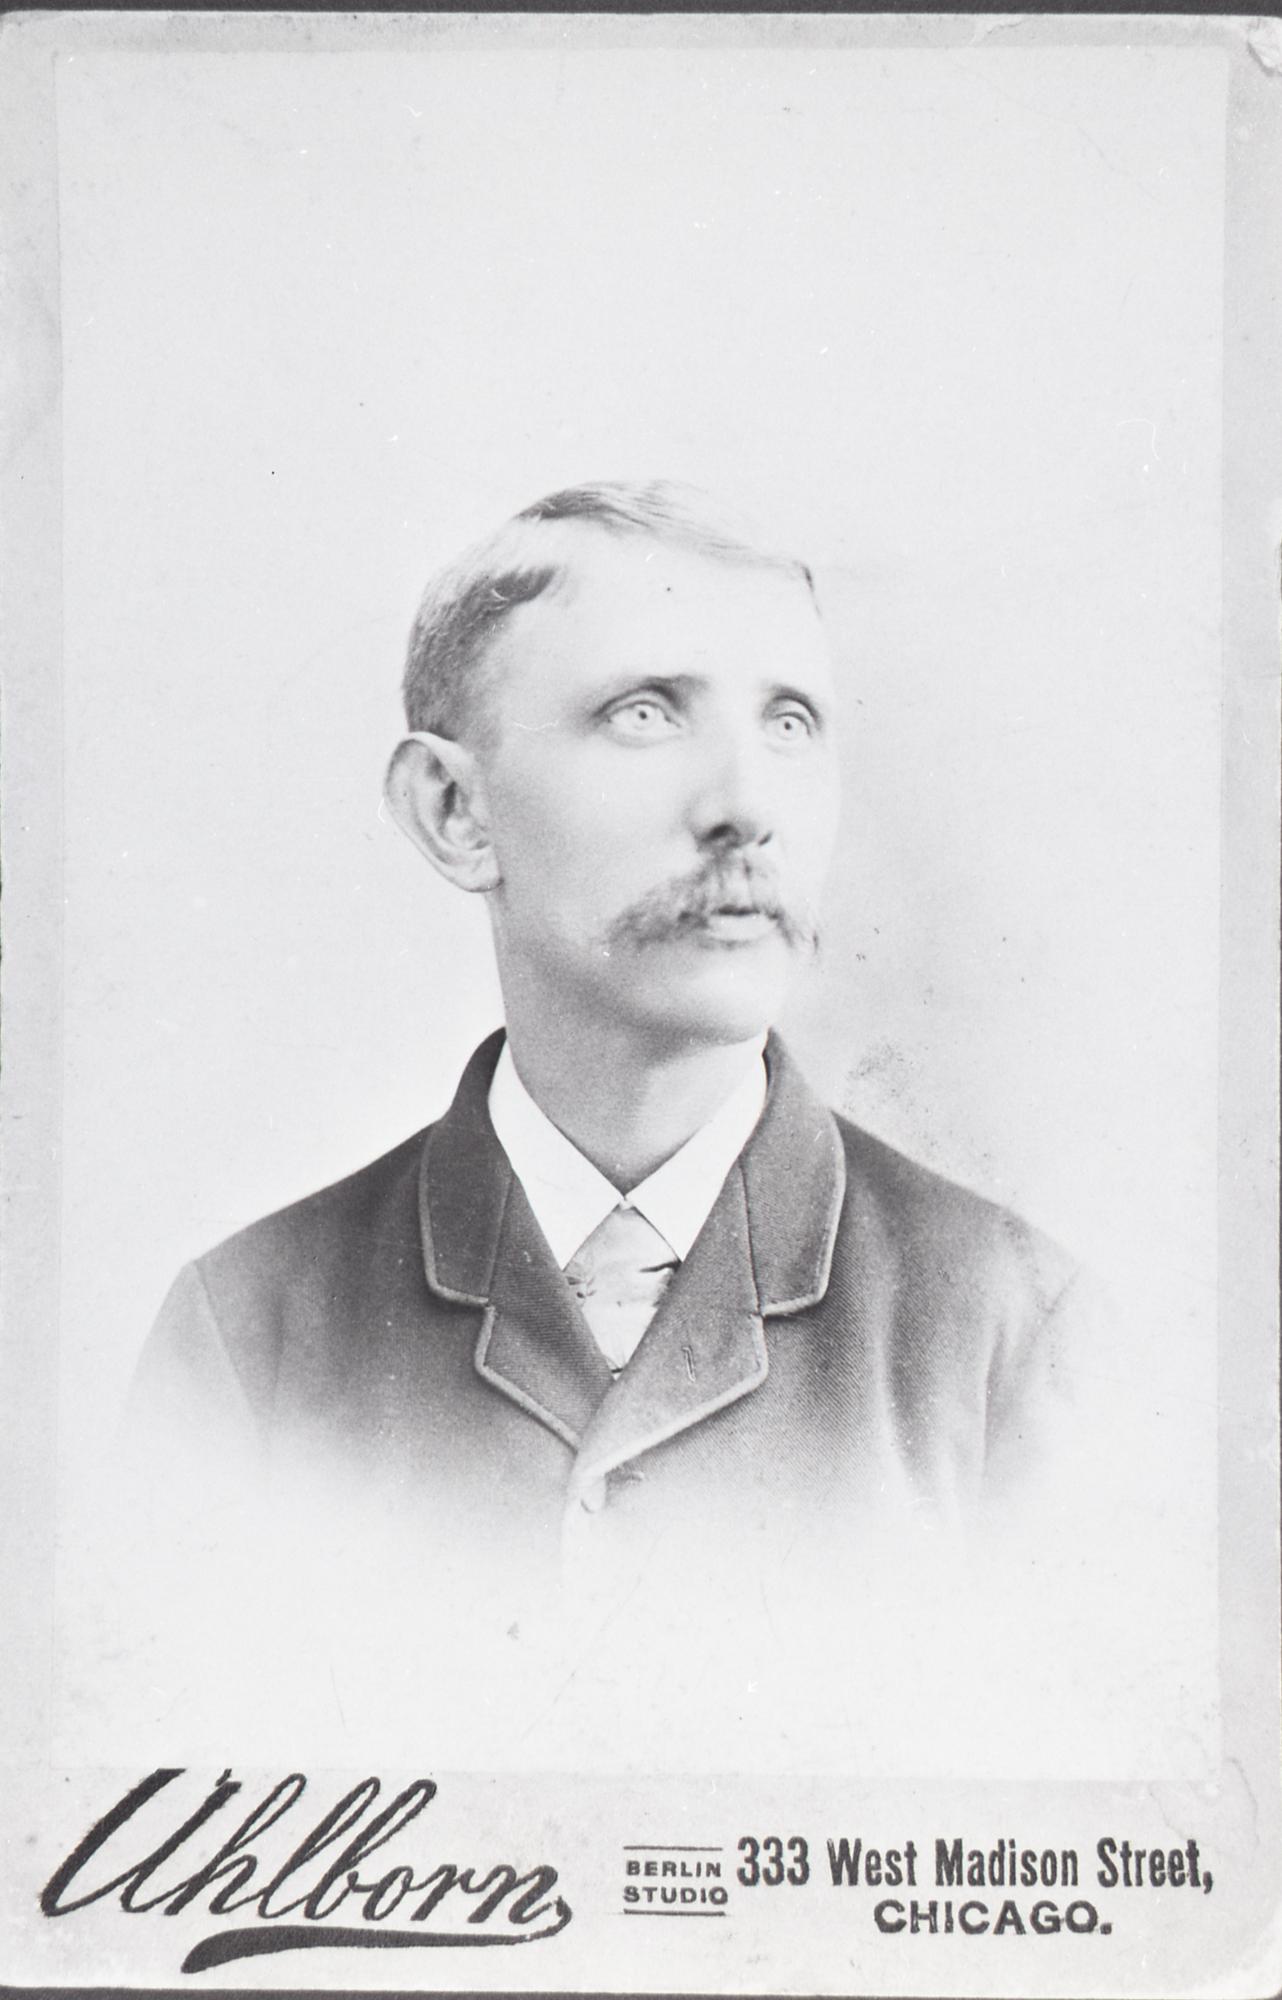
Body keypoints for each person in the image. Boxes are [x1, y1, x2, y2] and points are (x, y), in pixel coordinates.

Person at [132, 480, 1096, 1627]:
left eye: (790, 722)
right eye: (645, 712)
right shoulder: (249, 1332)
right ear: (453, 811)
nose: (747, 805)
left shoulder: (1012, 1328)